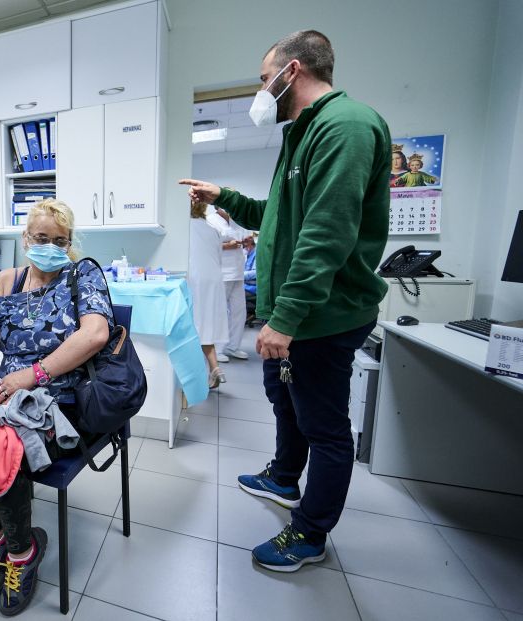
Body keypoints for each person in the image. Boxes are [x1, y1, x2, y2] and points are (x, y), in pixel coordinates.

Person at [179, 29, 390, 572]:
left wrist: (287, 317)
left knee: (324, 426)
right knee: (284, 400)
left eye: (262, 77)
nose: (260, 89)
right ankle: (283, 477)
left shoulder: (346, 127)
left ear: (291, 71)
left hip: (321, 317)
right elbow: (275, 217)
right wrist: (222, 197)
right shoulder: (301, 134)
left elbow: (326, 233)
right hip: (294, 315)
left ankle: (311, 532)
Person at [0, 198, 112, 616]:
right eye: (41, 238)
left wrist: (32, 375)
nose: (51, 247)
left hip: (63, 404)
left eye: (60, 240)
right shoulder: (8, 281)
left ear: (70, 243)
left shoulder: (82, 274)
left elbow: (94, 335)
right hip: (7, 402)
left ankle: (23, 553)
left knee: (1, 451)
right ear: (26, 239)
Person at [188, 200, 228, 388]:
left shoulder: (184, 227)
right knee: (206, 325)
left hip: (195, 279)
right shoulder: (211, 227)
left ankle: (194, 378)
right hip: (213, 278)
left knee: (194, 326)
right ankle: (214, 368)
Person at [208, 206, 251, 361]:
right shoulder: (211, 220)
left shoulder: (235, 221)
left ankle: (233, 347)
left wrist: (246, 241)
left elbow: (244, 237)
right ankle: (217, 349)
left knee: (240, 311)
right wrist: (227, 246)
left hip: (238, 272)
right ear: (218, 205)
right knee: (220, 312)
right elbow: (208, 246)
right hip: (222, 272)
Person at [243, 235, 257, 325]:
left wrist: (240, 275)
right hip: (246, 285)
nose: (243, 249)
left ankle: (245, 314)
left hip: (253, 287)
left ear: (249, 245)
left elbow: (255, 273)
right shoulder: (248, 255)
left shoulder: (257, 254)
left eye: (243, 246)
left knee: (233, 293)